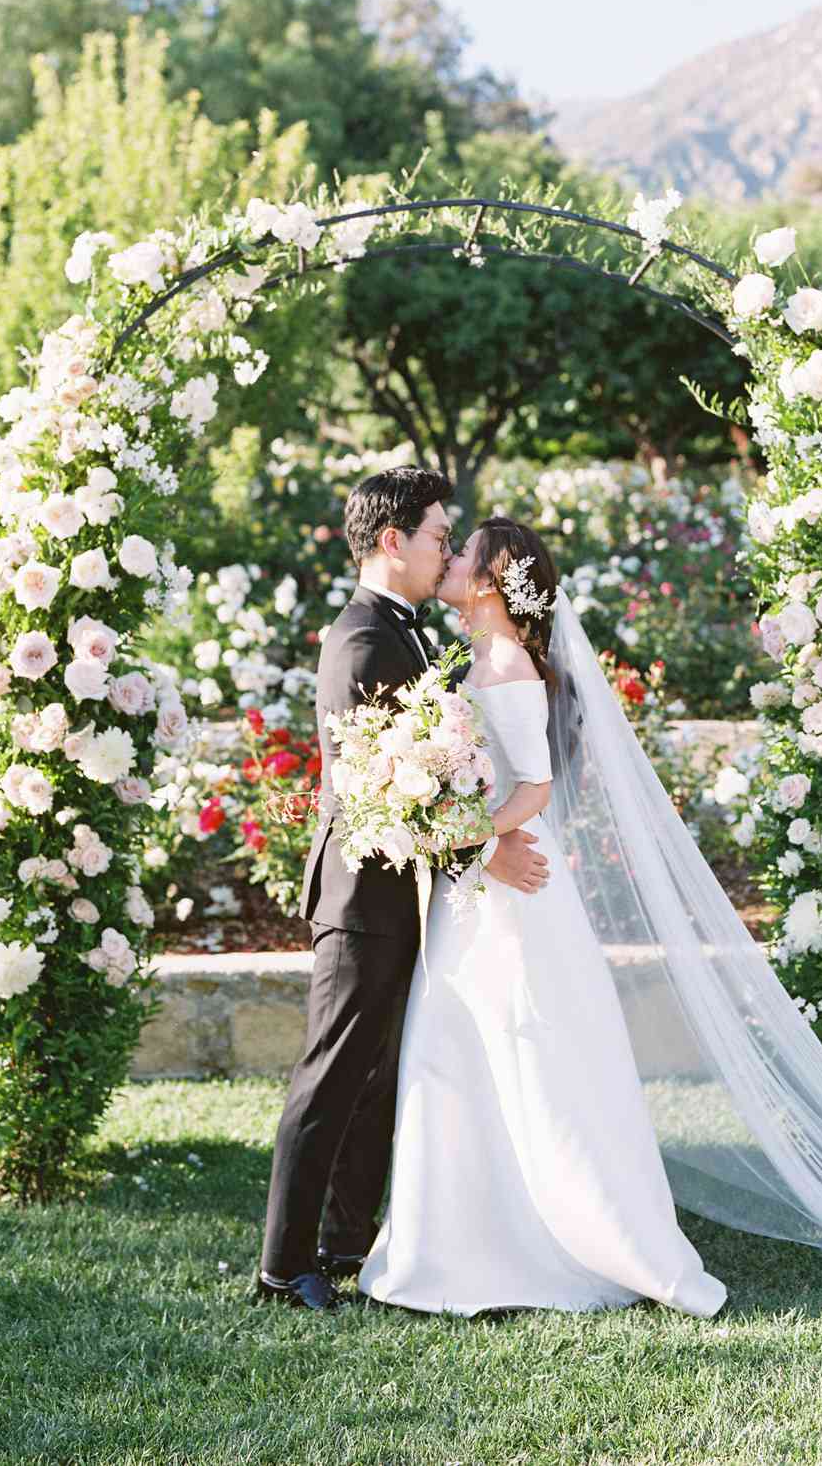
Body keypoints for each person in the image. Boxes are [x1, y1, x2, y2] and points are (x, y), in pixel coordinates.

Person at [358, 514, 822, 1316]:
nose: (452, 560)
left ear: (494, 580)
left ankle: (543, 1244)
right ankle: (465, 1240)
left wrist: (458, 830)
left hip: (514, 886)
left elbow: (531, 791)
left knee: (521, 1049)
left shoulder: (505, 666)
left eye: (464, 552)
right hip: (485, 885)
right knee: (468, 1047)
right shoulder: (479, 657)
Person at [256, 473, 550, 1310]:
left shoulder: (409, 634)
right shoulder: (361, 639)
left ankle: (344, 1242)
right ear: (393, 541)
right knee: (332, 1075)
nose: (445, 551)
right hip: (360, 897)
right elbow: (376, 790)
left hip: (400, 892)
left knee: (376, 1076)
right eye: (436, 536)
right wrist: (483, 849)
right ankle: (284, 1265)